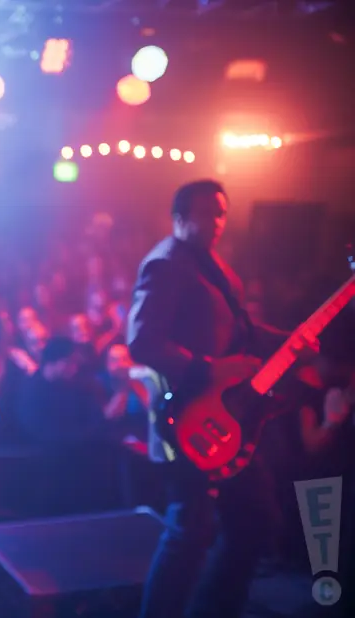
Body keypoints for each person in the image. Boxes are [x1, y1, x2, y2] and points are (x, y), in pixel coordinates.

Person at [127, 180, 313, 618]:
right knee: (190, 528)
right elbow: (142, 342)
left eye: (222, 213)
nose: (216, 222)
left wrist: (292, 341)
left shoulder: (215, 269)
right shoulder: (167, 264)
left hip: (227, 416)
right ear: (179, 219)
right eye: (206, 213)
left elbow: (244, 333)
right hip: (189, 415)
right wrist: (207, 368)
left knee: (254, 517)